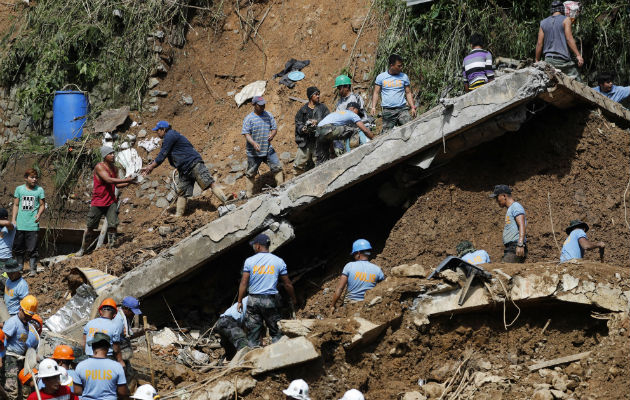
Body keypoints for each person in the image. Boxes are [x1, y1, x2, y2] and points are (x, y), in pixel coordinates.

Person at [141, 120, 229, 217]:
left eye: (158, 130)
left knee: (209, 183)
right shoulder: (170, 136)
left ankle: (227, 202)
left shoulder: (170, 136)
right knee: (182, 192)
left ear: (163, 129)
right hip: (184, 168)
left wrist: (150, 167)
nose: (157, 133)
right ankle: (178, 216)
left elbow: (162, 155)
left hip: (193, 163)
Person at [237, 233, 297, 347]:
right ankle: (278, 357)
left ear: (258, 246)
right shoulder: (278, 261)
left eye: (254, 245)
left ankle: (252, 358)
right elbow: (287, 284)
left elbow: (243, 283)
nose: (253, 247)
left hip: (253, 301)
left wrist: (240, 301)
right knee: (276, 333)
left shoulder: (249, 261)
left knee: (253, 334)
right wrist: (293, 298)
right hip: (270, 301)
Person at [76, 146, 137, 256]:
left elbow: (117, 184)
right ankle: (83, 249)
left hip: (110, 201)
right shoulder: (99, 167)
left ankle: (111, 248)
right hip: (98, 202)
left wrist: (130, 182)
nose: (113, 155)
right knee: (90, 227)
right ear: (105, 156)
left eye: (113, 153)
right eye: (110, 153)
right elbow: (108, 180)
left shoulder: (114, 168)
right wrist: (126, 179)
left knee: (113, 226)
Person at [241, 96, 284, 197]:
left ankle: (281, 188)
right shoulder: (249, 119)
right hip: (253, 152)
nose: (263, 107)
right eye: (260, 105)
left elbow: (274, 128)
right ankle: (249, 195)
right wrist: (254, 143)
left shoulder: (268, 115)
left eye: (263, 105)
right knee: (250, 173)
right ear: (254, 105)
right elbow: (246, 134)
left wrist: (272, 134)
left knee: (277, 167)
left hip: (267, 148)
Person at [330, 239, 384, 314]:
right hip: (368, 306)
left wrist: (332, 305)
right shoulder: (378, 270)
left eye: (354, 254)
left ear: (358, 253)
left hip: (350, 306)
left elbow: (340, 288)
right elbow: (383, 289)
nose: (354, 256)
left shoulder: (349, 266)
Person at [535, 0, 584, 80]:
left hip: (548, 61)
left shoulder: (543, 22)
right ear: (562, 9)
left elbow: (539, 43)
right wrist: (578, 55)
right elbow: (569, 38)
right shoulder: (566, 20)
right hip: (562, 61)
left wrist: (537, 60)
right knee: (579, 81)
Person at [74, 332, 129, 400]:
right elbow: (122, 392)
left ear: (93, 347)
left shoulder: (81, 366)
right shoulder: (117, 366)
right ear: (108, 348)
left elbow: (77, 391)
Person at [370, 54, 417, 132]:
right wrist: (373, 107)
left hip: (402, 109)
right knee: (386, 134)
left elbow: (408, 93)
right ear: (391, 65)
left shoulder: (404, 77)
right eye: (399, 66)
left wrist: (412, 107)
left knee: (410, 128)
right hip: (388, 111)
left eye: (401, 66)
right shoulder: (381, 77)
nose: (401, 68)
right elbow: (376, 92)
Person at [12, 168, 45, 277]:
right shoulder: (19, 189)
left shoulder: (39, 190)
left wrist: (39, 214)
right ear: (26, 178)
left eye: (36, 177)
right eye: (32, 177)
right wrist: (13, 219)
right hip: (20, 224)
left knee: (32, 248)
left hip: (32, 224)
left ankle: (32, 269)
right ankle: (20, 267)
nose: (34, 179)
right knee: (18, 247)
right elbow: (16, 205)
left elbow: (42, 205)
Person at [3, 295, 38, 399]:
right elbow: (3, 339)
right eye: (26, 315)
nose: (28, 318)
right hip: (10, 358)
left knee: (23, 387)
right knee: (11, 388)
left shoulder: (25, 324)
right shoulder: (13, 322)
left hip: (20, 358)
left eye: (30, 317)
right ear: (20, 309)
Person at [293, 86, 330, 173]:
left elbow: (329, 120)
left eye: (318, 94)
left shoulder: (323, 108)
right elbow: (298, 123)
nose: (318, 96)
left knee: (321, 165)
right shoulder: (303, 110)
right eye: (316, 94)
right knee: (298, 166)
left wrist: (317, 122)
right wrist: (303, 129)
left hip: (319, 142)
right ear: (310, 96)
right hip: (305, 143)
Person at [490, 185, 527, 263]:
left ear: (504, 196)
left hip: (515, 246)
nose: (496, 200)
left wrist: (520, 244)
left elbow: (522, 224)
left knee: (503, 270)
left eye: (497, 197)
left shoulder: (516, 206)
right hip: (511, 247)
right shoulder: (511, 208)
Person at [82, 298, 123, 368]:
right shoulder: (114, 327)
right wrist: (120, 361)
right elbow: (116, 349)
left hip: (89, 357)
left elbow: (83, 344)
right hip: (106, 358)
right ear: (114, 315)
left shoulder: (89, 323)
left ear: (100, 312)